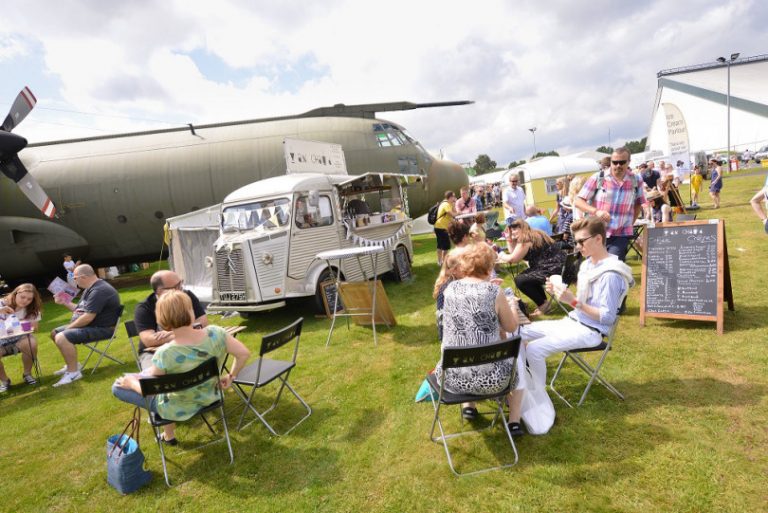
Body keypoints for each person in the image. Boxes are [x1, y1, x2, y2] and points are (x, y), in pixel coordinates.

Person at [112, 290, 250, 444]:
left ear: (162, 320)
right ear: (191, 312)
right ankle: (168, 436)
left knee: (117, 386)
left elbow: (151, 389)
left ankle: (168, 434)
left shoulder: (165, 354)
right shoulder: (216, 333)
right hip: (210, 395)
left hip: (178, 406)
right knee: (150, 376)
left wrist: (131, 383)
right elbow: (243, 353)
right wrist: (231, 376)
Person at [520, 216, 633, 400]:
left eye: (581, 241)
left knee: (534, 349)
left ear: (598, 239)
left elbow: (607, 318)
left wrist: (573, 302)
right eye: (576, 241)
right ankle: (521, 388)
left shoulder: (611, 274)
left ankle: (538, 397)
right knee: (519, 332)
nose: (578, 246)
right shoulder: (588, 264)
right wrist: (558, 292)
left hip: (591, 331)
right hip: (574, 321)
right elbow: (581, 302)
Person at [434, 243, 524, 435]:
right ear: (489, 267)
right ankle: (514, 421)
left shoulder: (449, 290)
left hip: (451, 380)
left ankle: (469, 406)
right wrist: (512, 306)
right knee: (519, 362)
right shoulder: (494, 292)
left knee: (466, 344)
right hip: (495, 381)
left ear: (465, 265)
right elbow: (510, 327)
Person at [51, 264, 122, 387]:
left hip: (103, 328)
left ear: (83, 277)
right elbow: (79, 310)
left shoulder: (99, 290)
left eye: (75, 277)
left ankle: (73, 373)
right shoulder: (91, 288)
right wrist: (64, 302)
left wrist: (69, 328)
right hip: (92, 326)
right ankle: (72, 365)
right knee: (55, 333)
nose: (74, 280)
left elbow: (88, 317)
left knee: (62, 336)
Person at [575, 147, 646, 262]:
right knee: (595, 268)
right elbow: (578, 201)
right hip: (595, 233)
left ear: (629, 162)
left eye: (622, 162)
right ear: (611, 162)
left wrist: (629, 224)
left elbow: (638, 204)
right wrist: (596, 211)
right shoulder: (598, 178)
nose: (618, 165)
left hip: (620, 234)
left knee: (613, 267)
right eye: (615, 162)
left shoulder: (636, 180)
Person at [134, 270, 209, 370]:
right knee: (152, 381)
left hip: (188, 344)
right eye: (177, 286)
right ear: (160, 291)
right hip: (154, 353)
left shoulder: (187, 296)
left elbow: (202, 323)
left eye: (181, 283)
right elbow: (149, 340)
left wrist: (170, 334)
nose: (181, 288)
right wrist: (183, 333)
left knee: (205, 366)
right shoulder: (144, 308)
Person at [498, 219, 569, 316]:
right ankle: (544, 303)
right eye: (511, 230)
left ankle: (543, 304)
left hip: (551, 269)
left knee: (521, 280)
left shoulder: (525, 238)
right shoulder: (536, 233)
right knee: (527, 276)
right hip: (561, 266)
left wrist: (500, 254)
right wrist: (509, 239)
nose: (513, 232)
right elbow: (514, 253)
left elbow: (513, 259)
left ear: (522, 228)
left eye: (515, 229)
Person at [0, 284, 43, 391]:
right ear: (15, 294)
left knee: (31, 343)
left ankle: (27, 374)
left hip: (20, 338)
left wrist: (30, 323)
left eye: (29, 299)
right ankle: (5, 381)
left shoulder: (32, 309)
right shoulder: (1, 303)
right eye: (22, 297)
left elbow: (34, 329)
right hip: (1, 339)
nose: (25, 301)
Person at [433, 247, 465, 342]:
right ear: (455, 269)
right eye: (465, 266)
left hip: (447, 332)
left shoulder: (447, 280)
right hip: (452, 335)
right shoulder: (451, 287)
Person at [433, 191, 456, 266]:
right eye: (453, 196)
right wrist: (458, 213)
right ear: (450, 197)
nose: (454, 198)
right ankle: (443, 262)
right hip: (442, 227)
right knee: (446, 246)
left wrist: (454, 205)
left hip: (439, 227)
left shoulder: (446, 203)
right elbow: (452, 214)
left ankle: (440, 261)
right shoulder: (446, 204)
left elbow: (453, 213)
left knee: (440, 245)